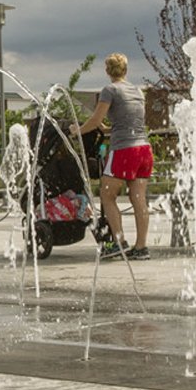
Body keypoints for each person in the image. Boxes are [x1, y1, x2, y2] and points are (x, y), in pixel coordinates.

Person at [73, 53, 153, 260]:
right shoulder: (137, 91)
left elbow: (95, 118)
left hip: (124, 151)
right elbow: (125, 126)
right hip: (144, 149)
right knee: (138, 199)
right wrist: (104, 128)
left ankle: (119, 242)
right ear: (126, 70)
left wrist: (77, 131)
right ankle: (141, 248)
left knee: (107, 195)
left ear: (108, 71)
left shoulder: (110, 90)